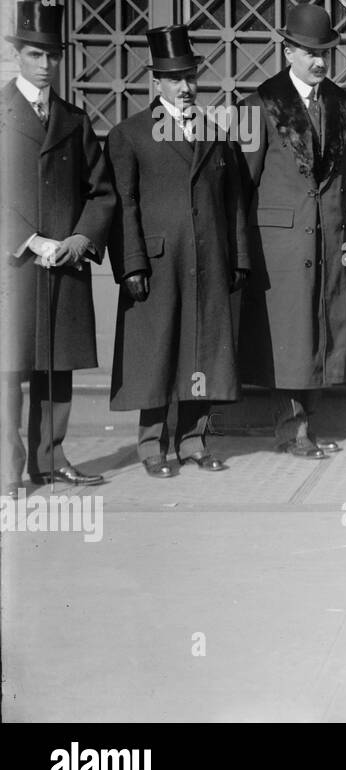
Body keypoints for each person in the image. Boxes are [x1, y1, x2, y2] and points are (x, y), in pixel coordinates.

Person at [105, 25, 249, 478]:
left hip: (208, 260)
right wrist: (130, 262)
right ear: (157, 82)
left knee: (201, 351)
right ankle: (152, 447)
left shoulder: (218, 132)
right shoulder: (129, 135)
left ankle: (193, 442)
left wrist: (239, 257)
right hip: (156, 263)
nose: (185, 87)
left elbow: (235, 203)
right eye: (174, 78)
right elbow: (122, 203)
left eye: (190, 76)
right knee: (156, 354)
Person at [0, 0, 114, 493]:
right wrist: (27, 240)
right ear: (18, 56)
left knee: (56, 365)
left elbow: (101, 189)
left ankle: (51, 458)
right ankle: (7, 468)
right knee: (9, 370)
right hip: (14, 267)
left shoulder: (74, 118)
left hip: (65, 264)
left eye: (52, 55)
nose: (45, 64)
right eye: (34, 54)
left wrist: (80, 239)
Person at [240, 3, 346, 460]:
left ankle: (308, 423)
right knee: (289, 337)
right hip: (280, 246)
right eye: (309, 52)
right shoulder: (257, 105)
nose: (319, 61)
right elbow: (242, 183)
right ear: (287, 51)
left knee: (323, 331)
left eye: (325, 52)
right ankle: (292, 431)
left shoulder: (340, 103)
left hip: (329, 237)